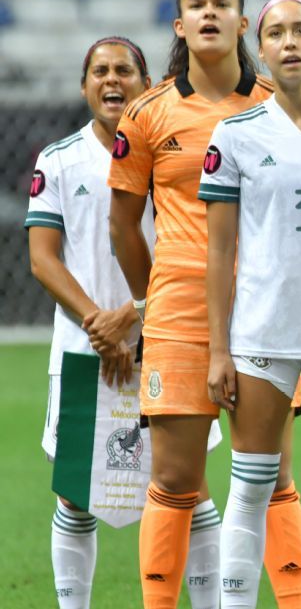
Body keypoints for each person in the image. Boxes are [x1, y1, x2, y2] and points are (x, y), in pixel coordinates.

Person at [106, 0, 298, 609]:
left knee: (270, 477)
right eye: (197, 5)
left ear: (245, 24)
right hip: (181, 312)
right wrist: (154, 296)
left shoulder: (279, 105)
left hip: (269, 308)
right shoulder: (148, 113)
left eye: (223, 4)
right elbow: (124, 227)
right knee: (176, 477)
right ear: (179, 25)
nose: (210, 13)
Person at [199, 0, 301, 607]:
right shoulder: (234, 135)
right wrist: (218, 348)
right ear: (258, 49)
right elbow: (218, 251)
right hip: (262, 330)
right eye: (276, 34)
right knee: (252, 484)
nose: (289, 43)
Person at [28, 37, 153, 609]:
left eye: (124, 70)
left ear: (145, 82)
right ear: (83, 87)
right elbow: (42, 257)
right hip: (83, 351)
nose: (112, 80)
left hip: (161, 340)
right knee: (76, 497)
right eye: (99, 71)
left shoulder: (170, 155)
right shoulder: (57, 159)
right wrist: (100, 324)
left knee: (182, 489)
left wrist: (136, 316)